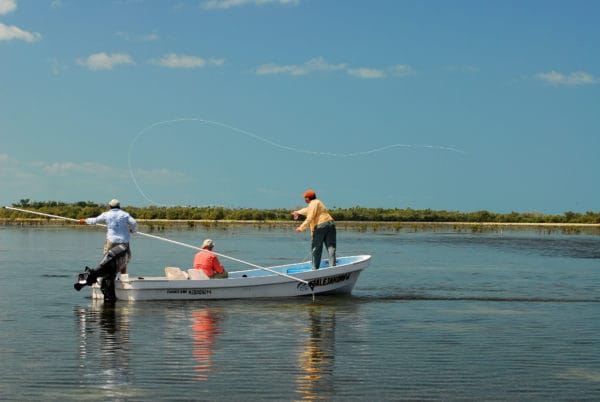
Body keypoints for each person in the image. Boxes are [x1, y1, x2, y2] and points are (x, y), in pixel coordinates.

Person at [79, 198, 138, 274]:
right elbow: (134, 223)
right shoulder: (125, 214)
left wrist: (84, 220)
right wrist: (133, 231)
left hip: (111, 241)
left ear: (110, 206)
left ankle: (105, 277)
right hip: (124, 241)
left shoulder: (106, 214)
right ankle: (123, 277)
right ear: (119, 206)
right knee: (124, 259)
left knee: (106, 259)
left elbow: (95, 220)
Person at [292, 189, 336, 270]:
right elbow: (307, 210)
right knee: (331, 246)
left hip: (320, 225)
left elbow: (310, 217)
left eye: (305, 198)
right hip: (331, 223)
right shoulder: (318, 202)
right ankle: (333, 267)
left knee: (316, 248)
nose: (304, 199)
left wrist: (301, 228)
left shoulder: (312, 204)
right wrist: (297, 212)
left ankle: (315, 269)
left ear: (308, 198)